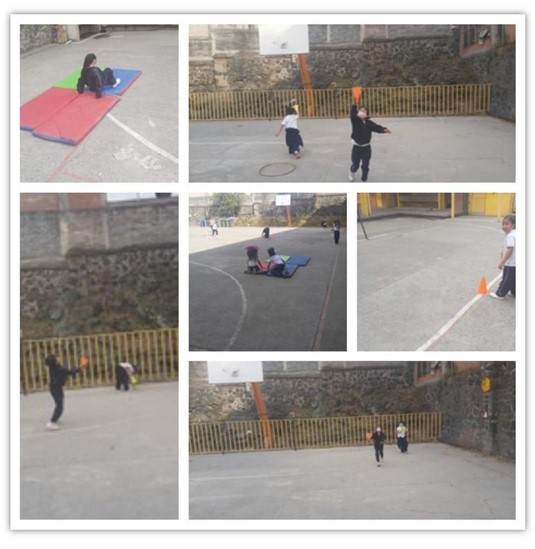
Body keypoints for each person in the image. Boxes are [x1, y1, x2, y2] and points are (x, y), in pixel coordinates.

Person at [348, 103, 391, 182]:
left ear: (366, 114)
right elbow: (352, 114)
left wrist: (383, 129)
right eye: (361, 110)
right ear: (358, 112)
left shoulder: (369, 123)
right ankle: (352, 171)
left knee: (365, 166)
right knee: (355, 165)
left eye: (364, 111)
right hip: (356, 148)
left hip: (366, 148)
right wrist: (354, 105)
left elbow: (376, 127)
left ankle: (364, 179)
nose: (362, 112)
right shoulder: (355, 121)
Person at [44, 355, 80, 430]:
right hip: (56, 388)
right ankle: (51, 422)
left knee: (59, 403)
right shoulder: (59, 369)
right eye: (56, 358)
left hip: (55, 387)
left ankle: (55, 418)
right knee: (60, 407)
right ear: (54, 361)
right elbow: (70, 372)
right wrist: (80, 367)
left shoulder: (53, 367)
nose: (58, 358)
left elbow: (67, 371)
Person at [490, 214, 516, 300]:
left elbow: (510, 249)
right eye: (503, 224)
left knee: (507, 279)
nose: (504, 226)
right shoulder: (516, 234)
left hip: (511, 263)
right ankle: (514, 292)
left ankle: (500, 293)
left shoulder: (510, 236)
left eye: (507, 224)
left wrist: (502, 261)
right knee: (514, 278)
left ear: (513, 225)